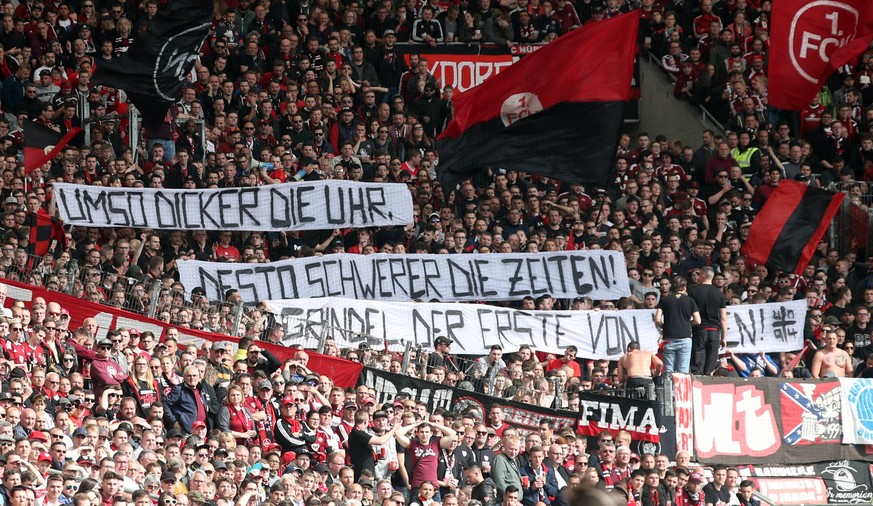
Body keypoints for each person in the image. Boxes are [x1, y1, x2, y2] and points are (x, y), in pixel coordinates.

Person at [655, 277, 701, 373]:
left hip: (669, 337)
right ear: (684, 287)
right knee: (683, 370)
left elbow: (657, 319)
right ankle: (681, 388)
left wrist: (665, 326)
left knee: (668, 370)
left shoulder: (665, 300)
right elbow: (698, 320)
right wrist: (687, 324)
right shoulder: (690, 300)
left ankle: (668, 387)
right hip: (685, 337)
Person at [688, 267, 727, 375]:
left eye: (699, 274)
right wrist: (724, 337)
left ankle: (697, 382)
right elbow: (723, 318)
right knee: (711, 359)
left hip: (699, 329)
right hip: (715, 329)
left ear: (703, 275)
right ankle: (708, 379)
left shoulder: (693, 291)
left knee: (697, 358)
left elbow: (689, 311)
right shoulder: (720, 294)